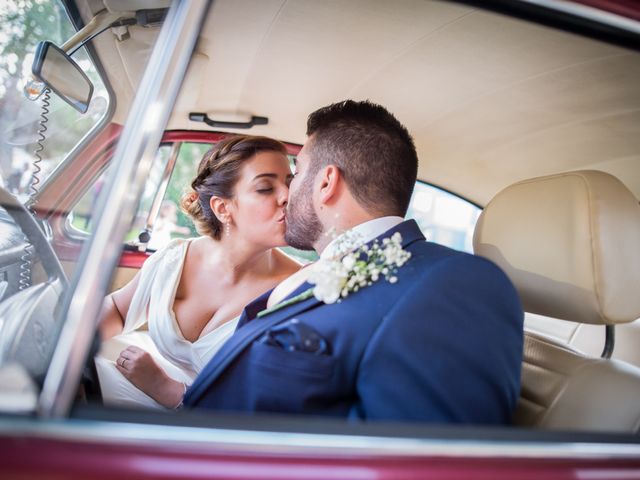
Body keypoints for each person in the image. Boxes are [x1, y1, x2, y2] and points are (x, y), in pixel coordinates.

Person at [183, 100, 524, 424]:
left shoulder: (455, 283)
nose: (287, 194)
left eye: (296, 173)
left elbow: (426, 460)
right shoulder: (307, 275)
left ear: (326, 183)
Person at [95, 135, 301, 409]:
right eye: (265, 188)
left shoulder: (295, 290)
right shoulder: (174, 259)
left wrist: (167, 389)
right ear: (222, 208)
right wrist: (76, 341)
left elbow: (275, 402)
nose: (287, 196)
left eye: (289, 182)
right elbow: (119, 310)